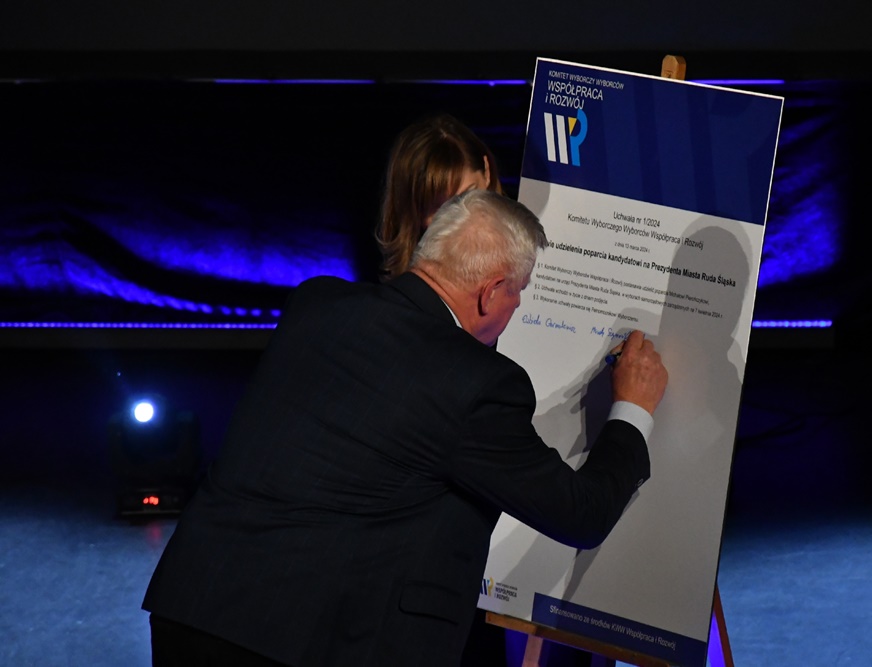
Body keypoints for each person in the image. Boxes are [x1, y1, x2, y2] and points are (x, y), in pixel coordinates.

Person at [142, 189, 669, 667]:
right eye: (519, 292)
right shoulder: (476, 381)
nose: (517, 306)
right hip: (298, 641)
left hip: (193, 605)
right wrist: (633, 407)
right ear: (490, 293)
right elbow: (581, 513)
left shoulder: (316, 304)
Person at [376, 113, 502, 282]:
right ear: (415, 216)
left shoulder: (528, 247)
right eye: (441, 210)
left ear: (486, 172)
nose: (461, 220)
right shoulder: (407, 290)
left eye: (468, 196)